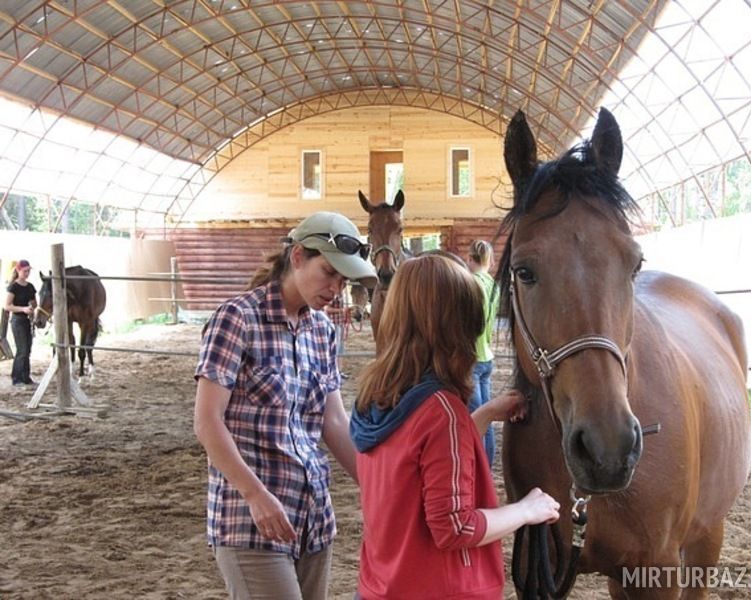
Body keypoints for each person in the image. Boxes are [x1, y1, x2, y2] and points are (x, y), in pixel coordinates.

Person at [350, 255, 560, 600]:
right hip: (439, 589)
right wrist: (526, 510)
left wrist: (485, 413)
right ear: (457, 326)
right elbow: (456, 527)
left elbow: (416, 462)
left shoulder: (377, 396)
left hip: (382, 585)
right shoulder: (441, 411)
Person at [193, 212, 376, 600]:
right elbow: (207, 422)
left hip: (313, 517)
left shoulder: (323, 330)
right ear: (296, 257)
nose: (336, 289)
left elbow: (334, 421)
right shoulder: (237, 318)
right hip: (250, 519)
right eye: (328, 272)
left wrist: (378, 485)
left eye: (343, 280)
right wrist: (255, 495)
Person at [467, 240, 500, 466]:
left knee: (476, 418)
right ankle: (487, 463)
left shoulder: (472, 283)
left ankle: (479, 464)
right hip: (488, 355)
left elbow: (471, 323)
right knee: (487, 415)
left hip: (472, 358)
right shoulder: (493, 285)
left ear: (470, 259)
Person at [4, 259, 37, 386]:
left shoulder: (30, 287)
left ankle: (26, 377)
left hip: (27, 320)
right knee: (22, 349)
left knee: (27, 350)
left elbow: (34, 303)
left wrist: (32, 306)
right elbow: (7, 306)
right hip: (17, 320)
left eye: (28, 271)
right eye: (25, 271)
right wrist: (23, 309)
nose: (27, 273)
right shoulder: (14, 287)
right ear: (18, 270)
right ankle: (16, 378)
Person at [323, 292, 349, 377]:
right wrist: (342, 310)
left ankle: (339, 371)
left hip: (340, 324)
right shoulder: (334, 294)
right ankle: (333, 372)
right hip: (334, 324)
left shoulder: (342, 293)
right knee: (335, 348)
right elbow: (326, 308)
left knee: (340, 348)